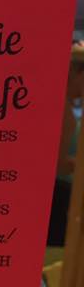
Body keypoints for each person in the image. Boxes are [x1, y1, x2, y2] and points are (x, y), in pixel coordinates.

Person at [48, 45, 84, 248]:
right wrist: (77, 163)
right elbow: (57, 165)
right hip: (58, 196)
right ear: (77, 73)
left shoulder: (61, 106)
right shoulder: (64, 112)